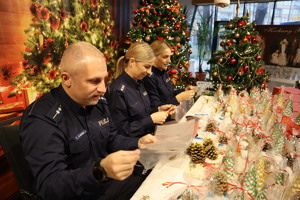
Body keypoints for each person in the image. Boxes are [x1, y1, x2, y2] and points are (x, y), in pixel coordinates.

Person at [20, 41, 156, 200]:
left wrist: (138, 143)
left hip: (104, 183)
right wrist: (99, 171)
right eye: (94, 81)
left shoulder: (98, 103)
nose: (103, 89)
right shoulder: (42, 119)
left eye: (104, 80)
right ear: (66, 79)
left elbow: (112, 139)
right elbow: (50, 186)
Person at [105, 42, 172, 138]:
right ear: (132, 62)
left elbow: (142, 113)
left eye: (151, 67)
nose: (149, 72)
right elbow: (121, 131)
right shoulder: (118, 91)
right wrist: (150, 120)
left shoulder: (139, 82)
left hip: (148, 137)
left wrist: (158, 109)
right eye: (147, 67)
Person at [143, 40, 196, 113]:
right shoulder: (149, 78)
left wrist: (184, 90)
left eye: (170, 57)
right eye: (165, 57)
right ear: (154, 57)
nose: (169, 61)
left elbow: (170, 94)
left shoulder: (163, 72)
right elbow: (156, 108)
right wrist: (179, 98)